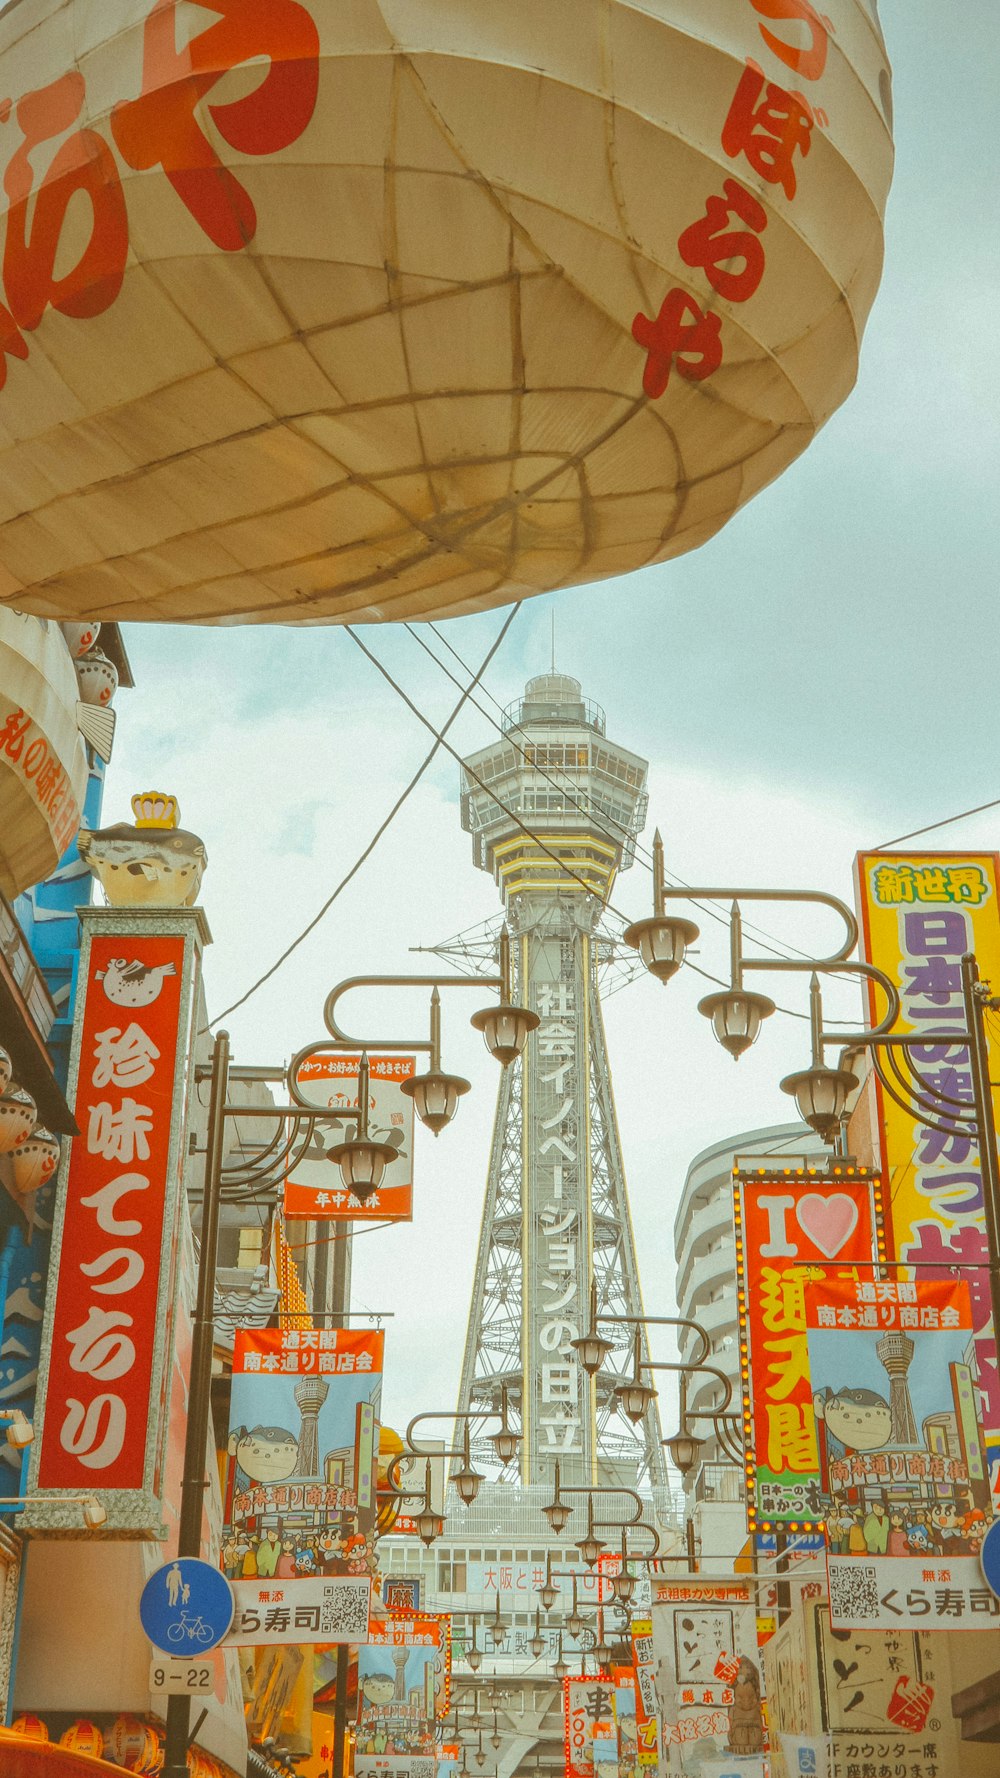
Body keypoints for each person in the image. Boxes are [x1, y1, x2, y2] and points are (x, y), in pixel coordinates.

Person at [725, 1657, 764, 1755]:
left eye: (751, 1697)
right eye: (740, 1697)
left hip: (754, 1729)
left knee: (755, 1738)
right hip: (738, 1731)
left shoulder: (757, 1708)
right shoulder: (734, 1709)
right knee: (740, 1738)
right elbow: (730, 1726)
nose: (746, 1701)